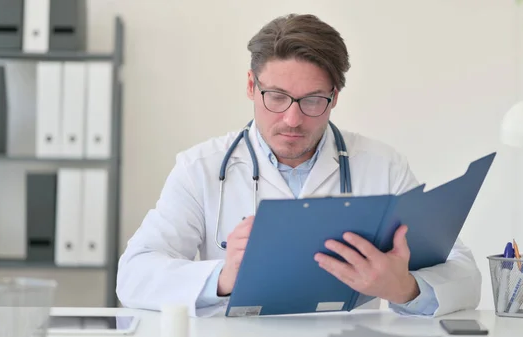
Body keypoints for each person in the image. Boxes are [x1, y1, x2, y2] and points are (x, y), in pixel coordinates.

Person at [116, 13, 481, 318]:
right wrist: (223, 277)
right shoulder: (201, 168)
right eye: (276, 97)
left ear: (335, 96)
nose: (292, 119)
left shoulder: (381, 166)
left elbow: (465, 273)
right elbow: (134, 275)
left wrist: (406, 288)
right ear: (250, 85)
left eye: (312, 101)